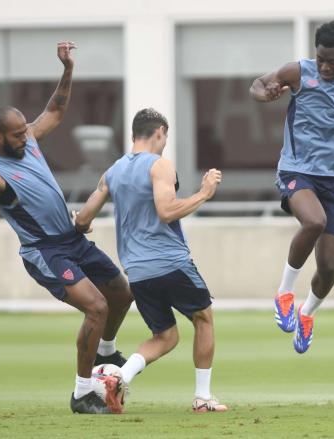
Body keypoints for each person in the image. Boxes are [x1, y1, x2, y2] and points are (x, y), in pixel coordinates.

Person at [0, 42, 133, 415]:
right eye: (18, 134)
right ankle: (82, 394)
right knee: (96, 307)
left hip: (72, 238)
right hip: (45, 252)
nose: (27, 136)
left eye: (25, 130)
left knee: (122, 293)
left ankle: (106, 352)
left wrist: (67, 68)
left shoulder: (28, 141)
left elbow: (55, 109)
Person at [74, 108, 227, 412]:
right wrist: (204, 193)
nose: (165, 142)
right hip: (170, 261)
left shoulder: (113, 171)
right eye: (165, 136)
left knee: (166, 336)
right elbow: (167, 210)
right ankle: (202, 398)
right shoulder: (160, 166)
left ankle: (118, 376)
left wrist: (83, 225)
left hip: (138, 272)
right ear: (159, 132)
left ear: (133, 134)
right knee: (204, 318)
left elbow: (83, 218)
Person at [250, 21, 334, 353]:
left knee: (328, 270)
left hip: (333, 182)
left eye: (332, 62)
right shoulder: (297, 72)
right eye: (321, 58)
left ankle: (306, 313)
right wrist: (264, 94)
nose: (325, 66)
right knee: (314, 221)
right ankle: (284, 293)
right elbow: (258, 84)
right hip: (297, 170)